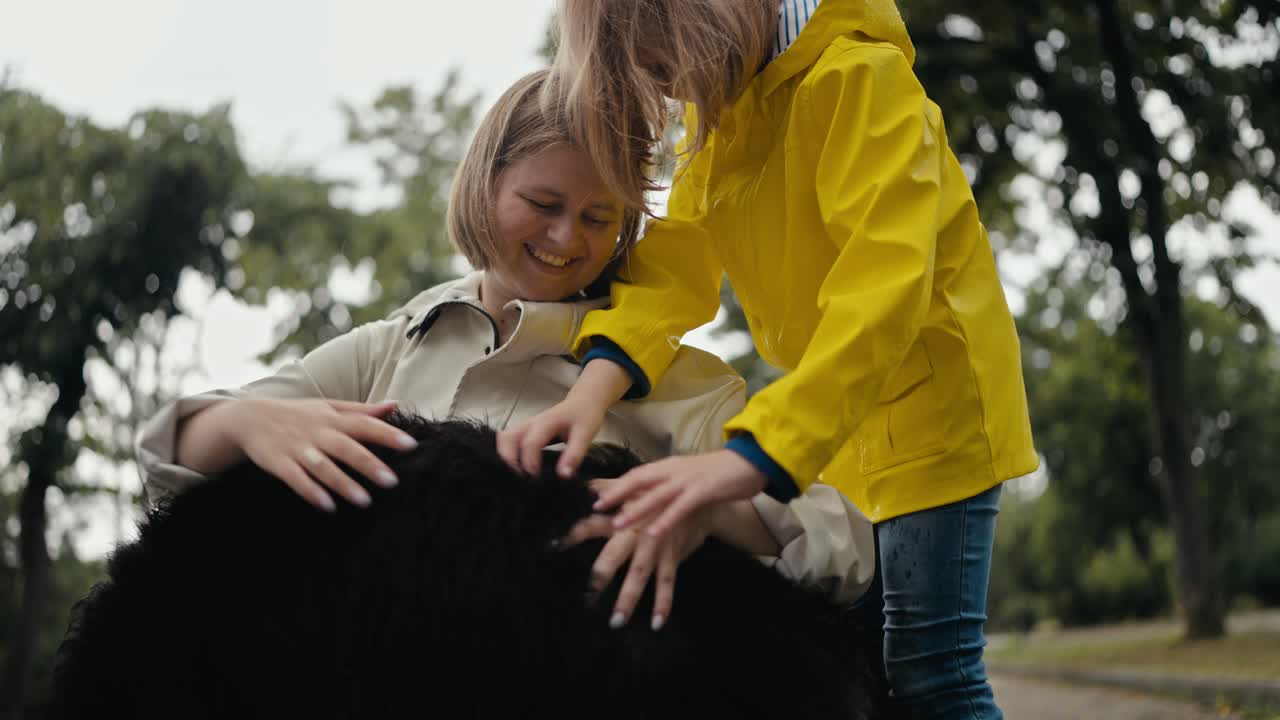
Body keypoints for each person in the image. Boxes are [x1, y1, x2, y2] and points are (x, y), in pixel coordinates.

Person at [136, 69, 875, 632]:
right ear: (483, 184)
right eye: (544, 205)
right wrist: (246, 423)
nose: (567, 240)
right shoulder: (390, 347)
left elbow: (846, 543)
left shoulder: (686, 384)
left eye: (599, 216)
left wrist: (708, 513)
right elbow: (171, 467)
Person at [500, 2, 1039, 717]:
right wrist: (589, 394)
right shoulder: (720, 125)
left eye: (662, 69)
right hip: (835, 428)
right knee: (857, 671)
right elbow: (675, 269)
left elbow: (884, 285)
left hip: (931, 422)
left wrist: (753, 457)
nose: (669, 95)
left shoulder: (859, 77)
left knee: (929, 675)